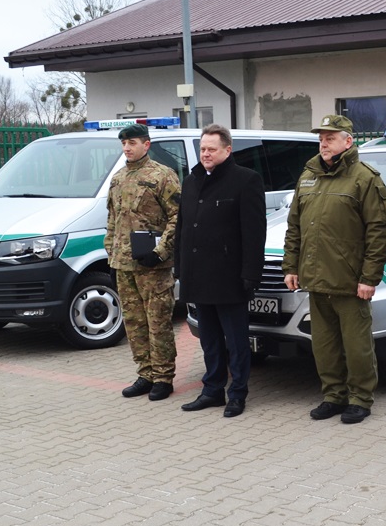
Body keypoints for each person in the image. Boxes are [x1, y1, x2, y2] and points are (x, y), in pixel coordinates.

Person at [282, 115, 386, 425]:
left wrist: (370, 277)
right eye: (321, 136)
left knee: (357, 347)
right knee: (325, 345)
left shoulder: (364, 178)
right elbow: (295, 227)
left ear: (348, 141)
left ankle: (360, 398)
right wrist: (291, 266)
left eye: (331, 137)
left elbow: (378, 231)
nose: (323, 141)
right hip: (316, 278)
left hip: (349, 280)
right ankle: (333, 395)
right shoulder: (308, 176)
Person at [174, 123, 267, 418]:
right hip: (198, 275)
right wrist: (180, 267)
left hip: (229, 277)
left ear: (228, 150)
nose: (205, 154)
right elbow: (182, 228)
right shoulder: (191, 181)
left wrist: (250, 274)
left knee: (236, 341)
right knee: (210, 339)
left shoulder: (246, 180)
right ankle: (212, 390)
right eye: (202, 149)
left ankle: (237, 393)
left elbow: (254, 233)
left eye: (211, 149)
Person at [107, 123, 181, 402]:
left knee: (158, 321)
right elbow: (112, 220)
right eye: (124, 144)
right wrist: (110, 250)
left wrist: (161, 251)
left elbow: (178, 217)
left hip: (154, 265)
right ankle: (145, 373)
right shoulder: (118, 179)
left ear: (146, 144)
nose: (127, 148)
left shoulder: (163, 176)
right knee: (134, 323)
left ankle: (163, 376)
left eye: (133, 143)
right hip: (124, 264)